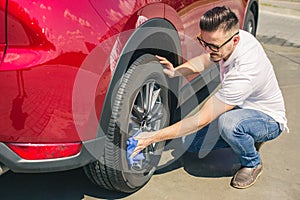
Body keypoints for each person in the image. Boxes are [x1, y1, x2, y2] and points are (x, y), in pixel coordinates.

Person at [130, 6, 288, 189]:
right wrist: (176, 71)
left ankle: (252, 162)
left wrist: (151, 137)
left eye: (213, 46)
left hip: (268, 118)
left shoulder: (244, 74)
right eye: (203, 42)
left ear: (235, 40)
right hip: (241, 109)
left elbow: (201, 119)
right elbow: (205, 60)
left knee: (229, 124)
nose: (207, 49)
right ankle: (245, 134)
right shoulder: (228, 42)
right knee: (190, 144)